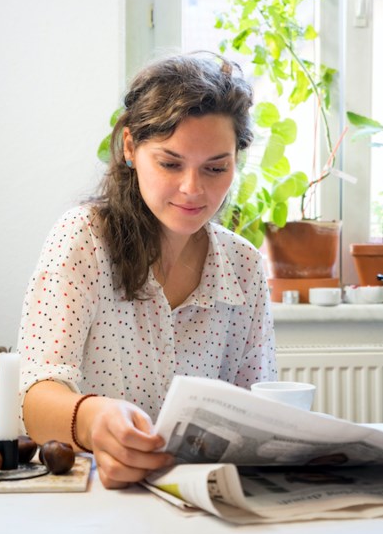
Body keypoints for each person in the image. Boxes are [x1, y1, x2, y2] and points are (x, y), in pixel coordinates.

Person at [17, 51, 277, 489]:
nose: (193, 189)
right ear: (131, 148)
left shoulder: (244, 266)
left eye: (216, 168)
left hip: (200, 503)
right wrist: (94, 420)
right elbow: (35, 398)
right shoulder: (82, 239)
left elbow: (256, 410)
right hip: (94, 504)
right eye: (170, 163)